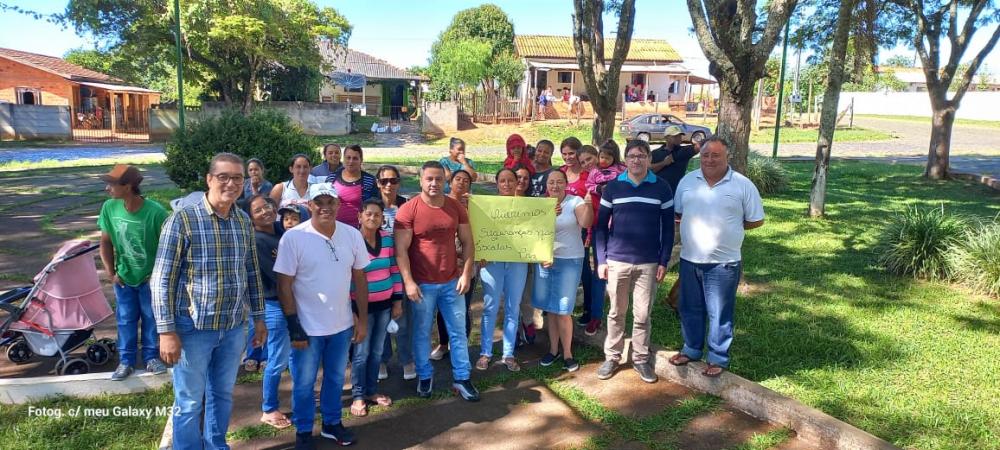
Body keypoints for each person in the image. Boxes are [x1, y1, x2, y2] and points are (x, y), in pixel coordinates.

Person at [151, 153, 267, 450]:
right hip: (192, 328)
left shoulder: (242, 220)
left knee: (222, 394)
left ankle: (216, 445)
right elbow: (161, 279)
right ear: (209, 179)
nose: (231, 183)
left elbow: (251, 271)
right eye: (224, 177)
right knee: (189, 401)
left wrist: (259, 317)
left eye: (238, 178)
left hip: (232, 327)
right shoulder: (182, 220)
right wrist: (166, 331)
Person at [274, 183, 370, 449]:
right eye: (319, 202)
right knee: (304, 383)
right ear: (309, 205)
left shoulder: (352, 235)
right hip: (306, 327)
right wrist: (293, 325)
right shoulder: (293, 238)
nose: (325, 207)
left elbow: (360, 279)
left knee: (336, 378)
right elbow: (284, 284)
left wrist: (361, 319)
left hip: (341, 326)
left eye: (331, 202)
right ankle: (304, 430)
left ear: (339, 204)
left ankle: (331, 423)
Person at [669, 137, 764, 378]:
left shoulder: (742, 185)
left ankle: (717, 357)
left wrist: (728, 229)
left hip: (724, 263)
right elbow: (679, 213)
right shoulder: (687, 182)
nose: (709, 159)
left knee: (719, 312)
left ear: (727, 157)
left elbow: (755, 219)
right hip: (690, 259)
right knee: (690, 308)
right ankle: (691, 349)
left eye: (715, 155)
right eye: (705, 155)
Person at [394, 161, 479, 402]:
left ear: (445, 181)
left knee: (458, 333)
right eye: (429, 179)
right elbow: (401, 250)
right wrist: (409, 282)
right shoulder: (408, 210)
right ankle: (424, 375)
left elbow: (468, 242)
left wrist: (465, 273)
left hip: (452, 282)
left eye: (438, 179)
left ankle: (462, 378)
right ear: (420, 180)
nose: (434, 183)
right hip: (422, 285)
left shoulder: (454, 207)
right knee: (421, 333)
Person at [594, 140, 674, 384]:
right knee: (617, 312)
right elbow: (600, 227)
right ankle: (612, 356)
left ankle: (640, 358)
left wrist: (663, 260)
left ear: (649, 159)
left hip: (648, 263)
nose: (636, 160)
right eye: (631, 156)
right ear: (625, 159)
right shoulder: (613, 188)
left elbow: (669, 228)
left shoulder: (662, 188)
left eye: (641, 155)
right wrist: (601, 259)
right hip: (617, 260)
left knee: (642, 315)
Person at [98, 164, 169, 381]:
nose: (107, 189)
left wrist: (157, 276)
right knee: (126, 319)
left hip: (149, 279)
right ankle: (126, 361)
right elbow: (105, 242)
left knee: (151, 318)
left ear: (128, 186)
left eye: (111, 184)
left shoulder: (156, 212)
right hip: (124, 278)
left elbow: (169, 249)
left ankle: (150, 357)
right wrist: (111, 273)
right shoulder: (110, 208)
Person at [533, 170, 593, 372]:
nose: (555, 186)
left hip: (569, 260)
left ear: (566, 183)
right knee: (551, 309)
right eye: (551, 182)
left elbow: (586, 223)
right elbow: (531, 233)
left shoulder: (575, 201)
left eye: (559, 182)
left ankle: (567, 353)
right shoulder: (540, 205)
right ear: (546, 185)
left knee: (564, 310)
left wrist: (589, 204)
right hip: (545, 261)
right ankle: (553, 350)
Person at [243, 195, 292, 430]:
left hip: (293, 302)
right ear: (251, 217)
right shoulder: (258, 240)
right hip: (275, 305)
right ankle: (269, 408)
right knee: (277, 359)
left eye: (267, 206)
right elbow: (278, 276)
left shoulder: (282, 230)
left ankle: (301, 393)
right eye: (258, 210)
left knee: (295, 354)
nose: (265, 211)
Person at [351, 199, 402, 416]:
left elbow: (394, 270)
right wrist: (352, 312)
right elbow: (345, 277)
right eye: (368, 214)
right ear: (360, 216)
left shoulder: (388, 240)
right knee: (361, 352)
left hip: (385, 306)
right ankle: (358, 395)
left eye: (377, 215)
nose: (373, 218)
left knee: (377, 351)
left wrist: (397, 301)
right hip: (361, 308)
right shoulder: (352, 241)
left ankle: (372, 391)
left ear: (383, 218)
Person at [476, 169, 530, 372]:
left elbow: (537, 230)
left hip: (517, 262)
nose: (506, 184)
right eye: (502, 181)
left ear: (517, 183)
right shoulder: (486, 206)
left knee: (512, 308)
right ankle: (485, 352)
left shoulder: (528, 207)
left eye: (510, 181)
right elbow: (477, 229)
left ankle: (508, 353)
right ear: (496, 183)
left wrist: (551, 212)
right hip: (492, 262)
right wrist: (479, 252)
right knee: (490, 307)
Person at [579, 141, 624, 335]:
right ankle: (596, 316)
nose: (602, 160)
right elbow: (590, 190)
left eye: (607, 156)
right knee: (600, 271)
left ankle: (618, 318)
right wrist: (599, 189)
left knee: (620, 275)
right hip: (599, 226)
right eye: (601, 156)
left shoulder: (623, 171)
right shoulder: (594, 174)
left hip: (622, 228)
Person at [429, 169, 474, 361]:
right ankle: (443, 343)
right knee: (443, 307)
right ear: (450, 182)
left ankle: (461, 346)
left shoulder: (477, 205)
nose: (462, 183)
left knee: (463, 306)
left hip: (467, 263)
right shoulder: (441, 202)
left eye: (466, 181)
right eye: (458, 179)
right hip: (444, 263)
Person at [376, 165, 415, 381]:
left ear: (399, 182)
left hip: (402, 267)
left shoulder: (406, 205)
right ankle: (382, 359)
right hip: (379, 269)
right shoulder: (371, 206)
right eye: (384, 181)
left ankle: (406, 359)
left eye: (393, 180)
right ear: (377, 183)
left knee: (402, 317)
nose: (388, 185)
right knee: (381, 316)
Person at [326, 144, 377, 228]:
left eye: (355, 158)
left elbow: (375, 205)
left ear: (361, 160)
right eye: (348, 157)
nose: (351, 161)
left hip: (360, 230)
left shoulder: (369, 181)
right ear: (343, 159)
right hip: (335, 228)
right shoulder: (332, 179)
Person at [651, 126, 700, 195]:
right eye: (675, 136)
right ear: (667, 137)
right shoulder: (656, 153)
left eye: (680, 136)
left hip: (678, 192)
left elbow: (698, 147)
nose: (679, 138)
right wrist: (664, 163)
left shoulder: (683, 151)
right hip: (659, 191)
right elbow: (648, 169)